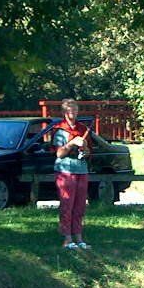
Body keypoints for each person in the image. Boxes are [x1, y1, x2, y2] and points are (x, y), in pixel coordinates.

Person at [54, 98, 91, 250]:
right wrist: (71, 143)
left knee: (80, 206)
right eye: (70, 110)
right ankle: (67, 239)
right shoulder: (60, 129)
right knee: (67, 205)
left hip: (82, 169)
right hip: (65, 171)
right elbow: (59, 154)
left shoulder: (82, 128)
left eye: (75, 110)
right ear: (64, 112)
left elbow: (88, 153)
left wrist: (85, 149)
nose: (73, 113)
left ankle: (79, 238)